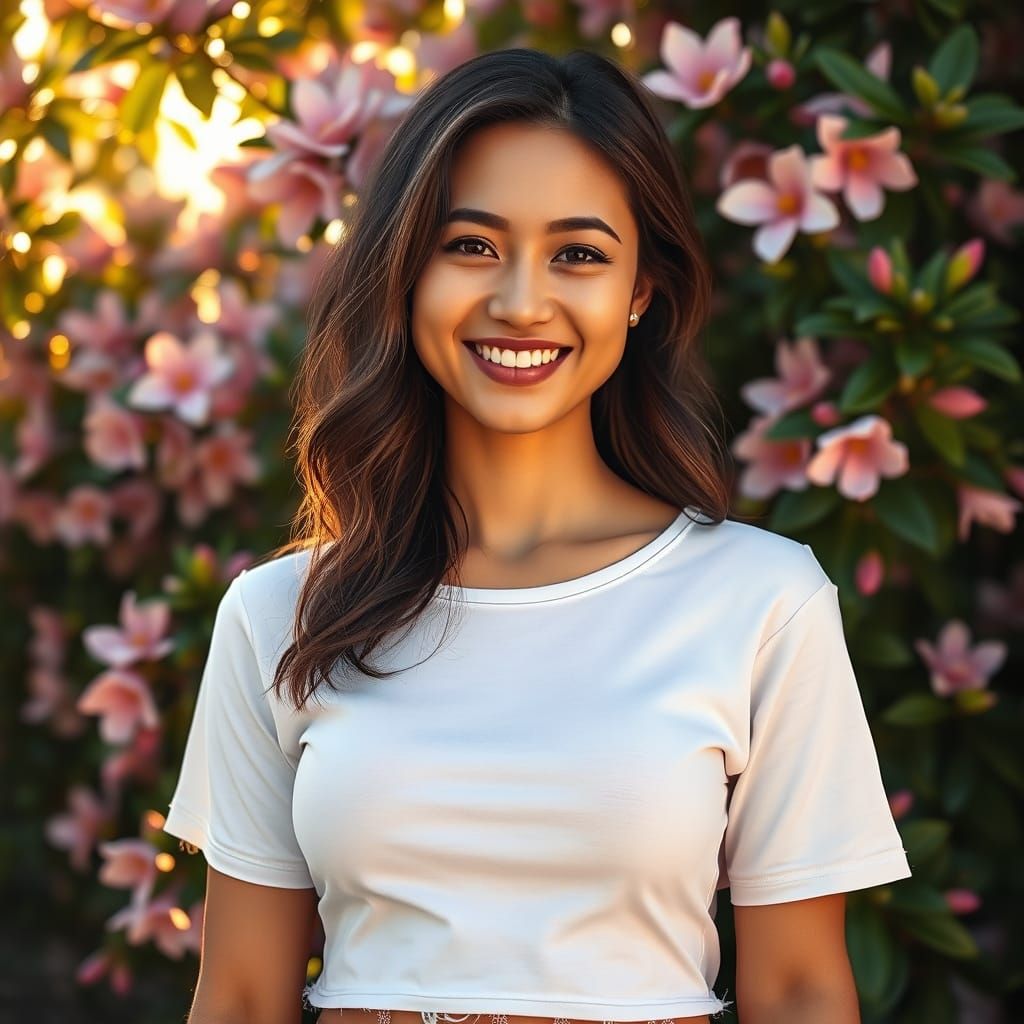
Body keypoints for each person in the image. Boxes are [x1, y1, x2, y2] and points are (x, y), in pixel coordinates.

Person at [162, 47, 912, 1024]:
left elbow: (803, 991)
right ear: (405, 271)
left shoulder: (761, 602)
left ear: (641, 289)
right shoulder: (279, 616)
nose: (520, 301)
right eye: (470, 244)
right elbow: (243, 996)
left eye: (579, 253)